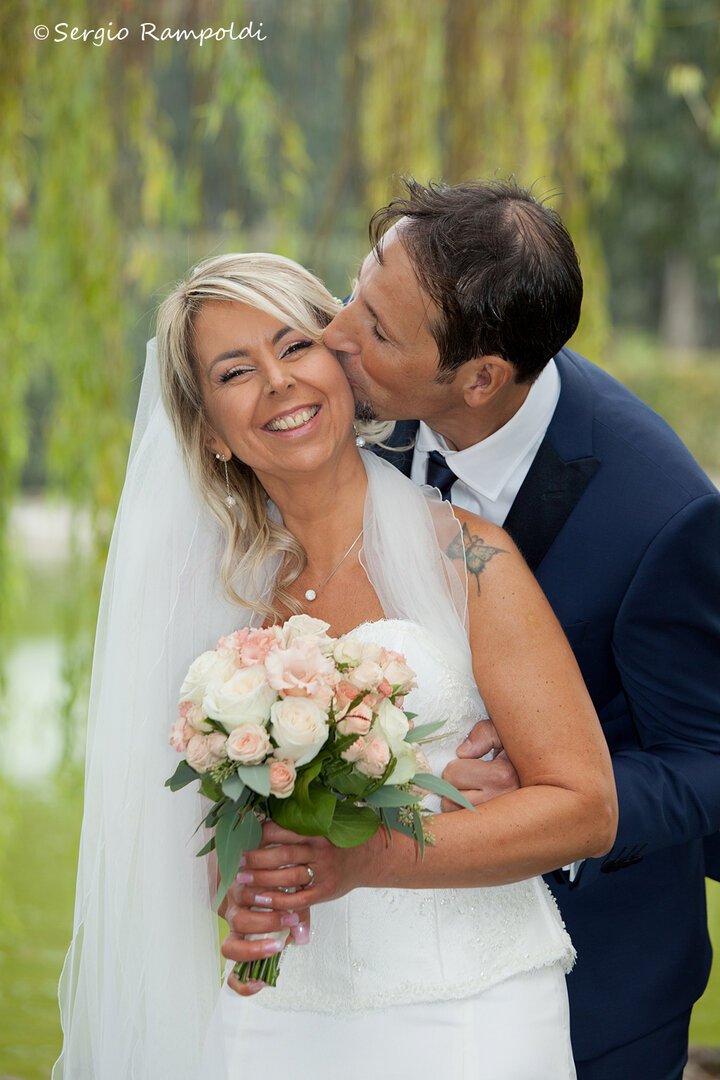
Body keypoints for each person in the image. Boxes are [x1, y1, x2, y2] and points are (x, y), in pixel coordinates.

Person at [54, 251, 616, 1080]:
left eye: (295, 345)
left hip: (470, 1006)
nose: (278, 381)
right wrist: (243, 891)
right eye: (235, 371)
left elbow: (585, 809)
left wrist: (372, 855)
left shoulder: (470, 559)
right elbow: (214, 854)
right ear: (210, 431)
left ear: (342, 365)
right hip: (279, 1014)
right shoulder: (211, 609)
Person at [287, 177, 717, 1079]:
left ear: (479, 378)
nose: (336, 335)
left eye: (379, 330)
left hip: (596, 978)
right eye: (357, 292)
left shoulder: (661, 514)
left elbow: (708, 761)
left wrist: (548, 788)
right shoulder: (350, 420)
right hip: (373, 955)